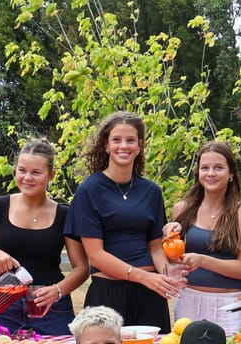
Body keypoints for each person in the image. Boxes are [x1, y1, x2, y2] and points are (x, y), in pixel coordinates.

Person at [0, 139, 88, 334]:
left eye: (36, 172)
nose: (27, 178)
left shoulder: (65, 214)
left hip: (51, 307)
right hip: (4, 303)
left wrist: (57, 291)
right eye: (22, 170)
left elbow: (82, 269)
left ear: (51, 175)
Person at [64, 111, 181, 332]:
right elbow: (96, 254)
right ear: (106, 145)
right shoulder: (89, 190)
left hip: (150, 294)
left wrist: (168, 275)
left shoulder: (152, 191)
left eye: (130, 140)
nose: (123, 146)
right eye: (116, 140)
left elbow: (155, 247)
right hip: (108, 292)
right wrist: (143, 277)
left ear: (139, 146)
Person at [163, 142, 241, 336]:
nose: (211, 173)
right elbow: (174, 261)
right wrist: (168, 238)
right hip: (189, 300)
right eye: (204, 168)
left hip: (230, 305)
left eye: (218, 167)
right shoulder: (182, 210)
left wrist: (203, 260)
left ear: (231, 173)